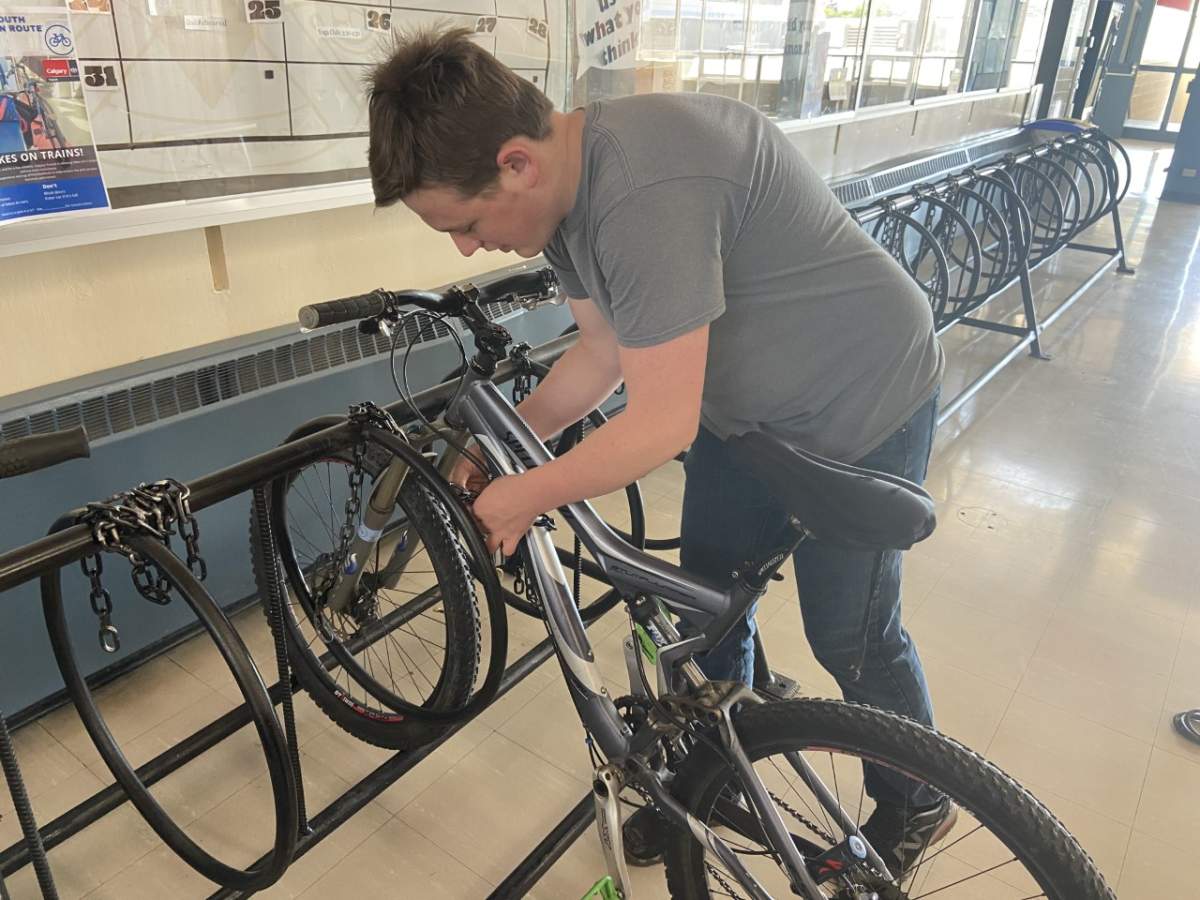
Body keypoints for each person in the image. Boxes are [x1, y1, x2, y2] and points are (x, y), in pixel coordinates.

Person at [367, 27, 949, 875]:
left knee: (849, 633)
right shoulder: (567, 194)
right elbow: (602, 354)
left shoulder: (643, 189)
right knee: (707, 609)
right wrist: (507, 448)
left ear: (516, 164)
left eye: (464, 222)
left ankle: (916, 798)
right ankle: (717, 784)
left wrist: (528, 493)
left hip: (863, 397)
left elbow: (660, 424)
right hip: (749, 416)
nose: (464, 248)